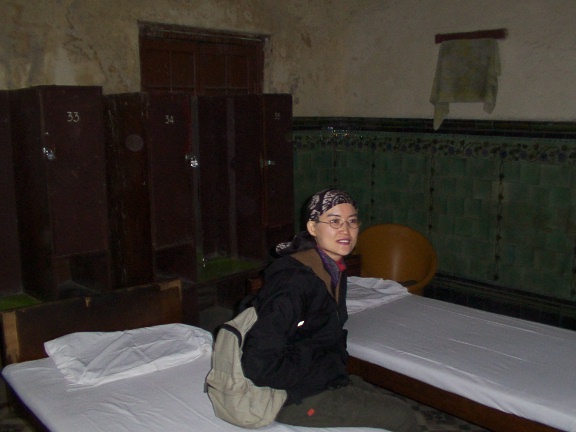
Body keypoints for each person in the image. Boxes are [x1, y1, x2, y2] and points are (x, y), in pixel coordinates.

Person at [241, 188, 420, 431]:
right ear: (313, 228)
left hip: (324, 378)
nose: (345, 230)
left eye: (352, 221)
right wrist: (316, 370)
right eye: (334, 221)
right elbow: (257, 364)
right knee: (403, 417)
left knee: (387, 403)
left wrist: (327, 368)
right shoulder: (295, 283)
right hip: (294, 398)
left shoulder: (333, 268)